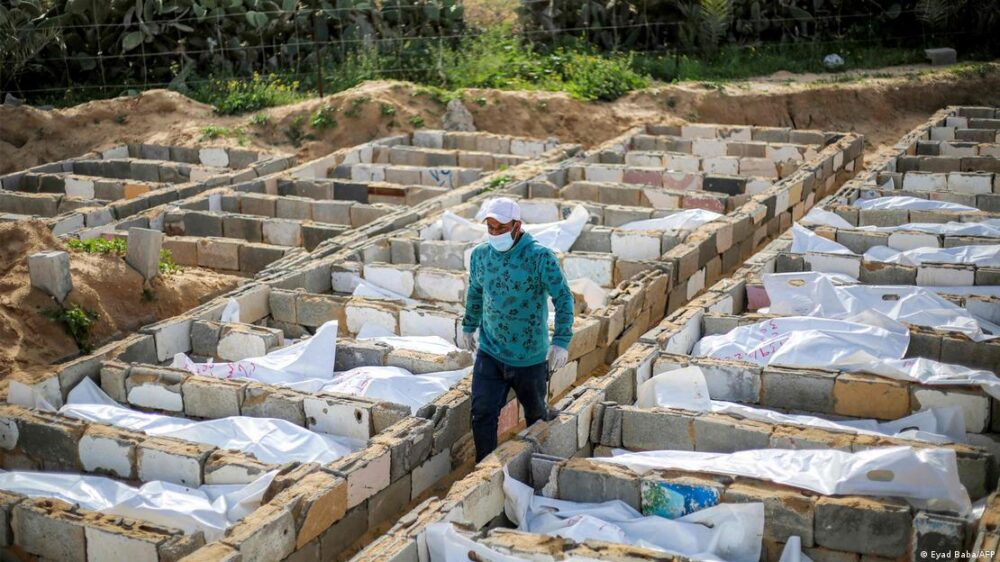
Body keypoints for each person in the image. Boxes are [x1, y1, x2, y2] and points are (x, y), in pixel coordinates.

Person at [457, 197, 575, 462]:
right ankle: (484, 470)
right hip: (490, 351)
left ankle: (536, 465)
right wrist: (468, 325)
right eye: (490, 227)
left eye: (501, 228)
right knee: (482, 412)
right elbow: (475, 291)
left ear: (517, 226)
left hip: (529, 357)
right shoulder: (481, 256)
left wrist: (561, 341)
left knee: (535, 416)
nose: (495, 233)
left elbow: (563, 297)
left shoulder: (539, 257)